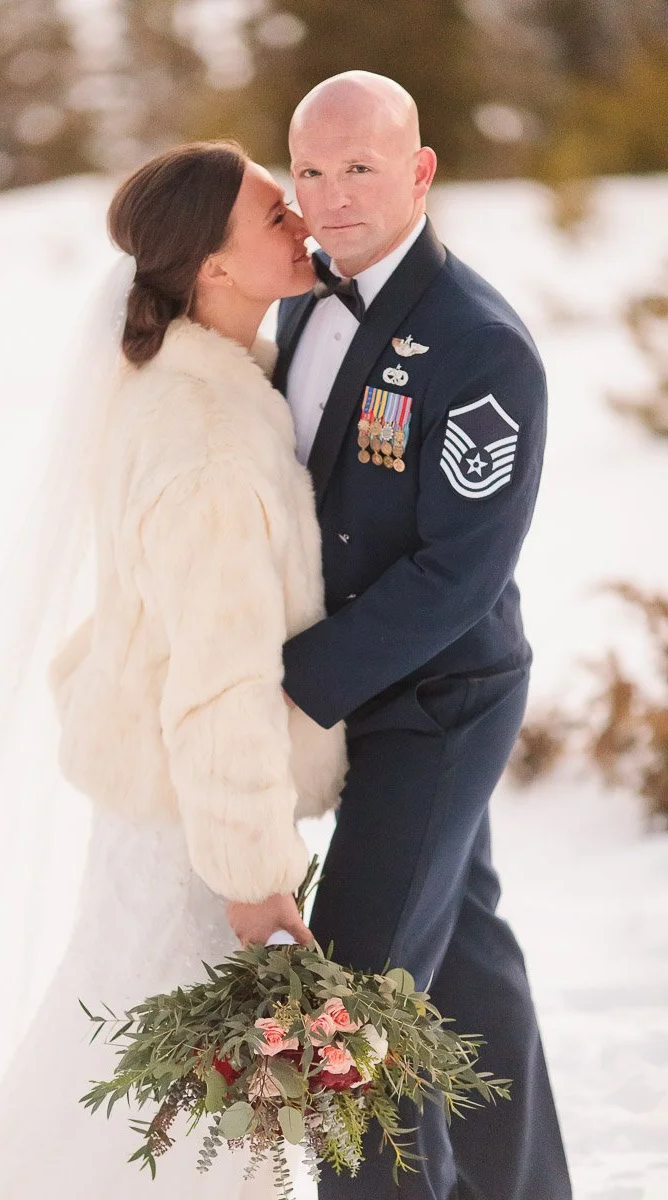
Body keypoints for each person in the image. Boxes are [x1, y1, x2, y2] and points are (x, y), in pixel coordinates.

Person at [0, 141, 347, 1199]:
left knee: (152, 1090)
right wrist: (252, 877)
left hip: (164, 809)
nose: (303, 223)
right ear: (214, 272)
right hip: (196, 829)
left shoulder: (204, 388)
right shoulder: (206, 438)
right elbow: (216, 679)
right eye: (274, 215)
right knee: (175, 1115)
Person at [275, 72, 573, 1200]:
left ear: (418, 171)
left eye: (359, 168)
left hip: (438, 699)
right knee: (466, 957)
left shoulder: (478, 343)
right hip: (355, 687)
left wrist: (291, 688)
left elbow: (457, 572)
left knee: (353, 988)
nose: (333, 196)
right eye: (310, 169)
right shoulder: (301, 301)